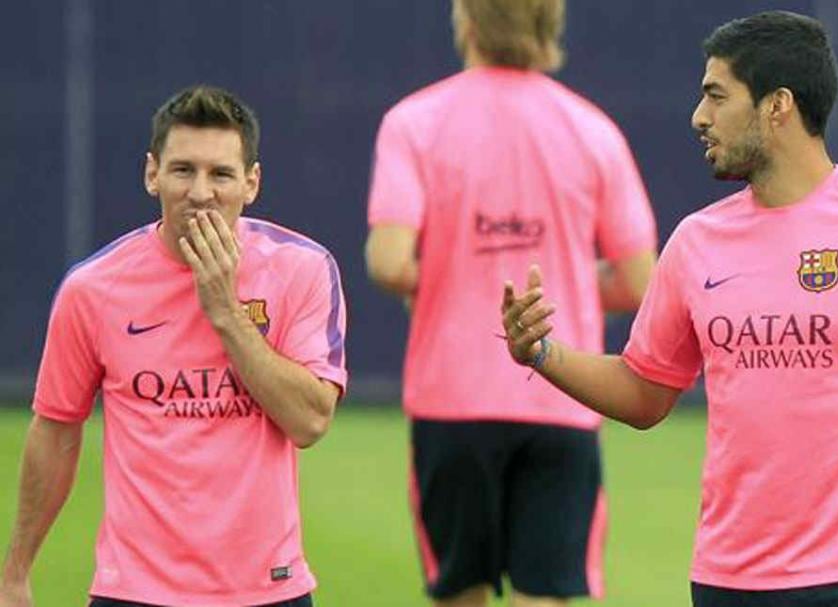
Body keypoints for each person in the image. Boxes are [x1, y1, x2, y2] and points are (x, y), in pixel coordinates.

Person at [501, 11, 838, 607]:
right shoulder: (695, 242)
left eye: (716, 96)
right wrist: (542, 353)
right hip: (729, 582)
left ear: (777, 104)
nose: (698, 117)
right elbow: (645, 392)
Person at [0, 85, 347, 607]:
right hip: (134, 592)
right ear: (151, 174)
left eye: (221, 174)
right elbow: (55, 428)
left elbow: (310, 421)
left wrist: (224, 312)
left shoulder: (302, 269)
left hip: (267, 590)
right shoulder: (94, 289)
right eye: (183, 170)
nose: (201, 191)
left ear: (251, 183)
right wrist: (16, 572)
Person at [364, 0, 658, 604]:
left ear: (467, 24)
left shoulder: (414, 121)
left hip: (453, 398)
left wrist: (455, 281)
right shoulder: (593, 129)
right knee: (544, 595)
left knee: (461, 591)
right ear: (551, 28)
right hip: (561, 392)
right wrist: (568, 285)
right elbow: (636, 278)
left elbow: (389, 261)